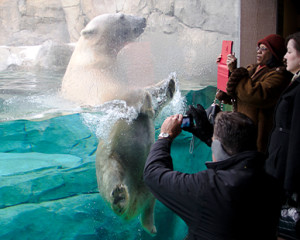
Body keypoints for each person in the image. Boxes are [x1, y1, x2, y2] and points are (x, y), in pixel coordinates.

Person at [143, 109, 281, 240]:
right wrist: (210, 138)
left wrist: (164, 136)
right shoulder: (270, 180)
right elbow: (236, 155)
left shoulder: (208, 189)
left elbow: (153, 174)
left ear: (217, 148)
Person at [216, 34, 292, 152]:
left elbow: (256, 95)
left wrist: (234, 71)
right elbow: (235, 93)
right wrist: (226, 70)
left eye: (263, 48)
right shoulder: (252, 69)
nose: (258, 51)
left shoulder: (279, 75)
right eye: (258, 48)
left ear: (274, 52)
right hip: (241, 132)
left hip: (258, 137)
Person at [265, 32, 300, 240]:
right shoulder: (294, 82)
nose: (284, 57)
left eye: (289, 51)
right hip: (280, 167)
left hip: (286, 174)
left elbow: (297, 139)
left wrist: (289, 186)